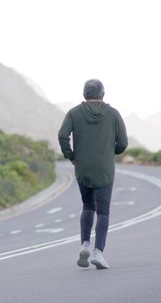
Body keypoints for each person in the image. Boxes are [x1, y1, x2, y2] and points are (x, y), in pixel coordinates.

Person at [58, 79, 128, 269]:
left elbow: (63, 135)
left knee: (87, 206)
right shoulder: (113, 114)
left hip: (83, 168)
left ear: (84, 94)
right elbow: (123, 142)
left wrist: (71, 156)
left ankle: (85, 244)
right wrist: (110, 152)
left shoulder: (73, 113)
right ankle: (98, 252)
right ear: (102, 94)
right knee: (103, 211)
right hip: (104, 168)